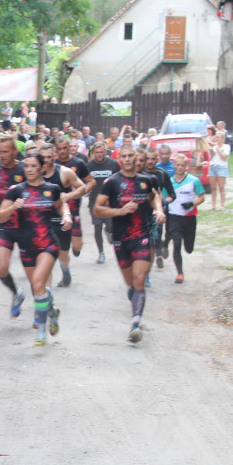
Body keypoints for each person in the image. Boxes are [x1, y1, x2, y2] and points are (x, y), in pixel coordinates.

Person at [94, 142, 166, 343]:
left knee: (140, 278)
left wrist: (158, 210)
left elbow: (155, 198)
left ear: (136, 157)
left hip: (141, 237)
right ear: (119, 159)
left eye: (130, 156)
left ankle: (135, 323)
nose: (127, 159)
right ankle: (135, 297)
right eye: (123, 156)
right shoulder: (112, 182)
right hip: (120, 239)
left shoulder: (146, 180)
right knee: (131, 284)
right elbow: (97, 209)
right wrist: (119, 211)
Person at [0, 152, 69, 345]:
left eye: (33, 166)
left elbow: (62, 206)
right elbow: (1, 217)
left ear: (41, 168)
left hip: (48, 243)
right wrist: (12, 208)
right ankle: (53, 312)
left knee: (38, 283)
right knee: (39, 289)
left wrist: (67, 216)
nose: (29, 169)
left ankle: (41, 331)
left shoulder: (51, 188)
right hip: (26, 246)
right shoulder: (16, 191)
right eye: (26, 166)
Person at [0, 134, 27, 317]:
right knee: (1, 268)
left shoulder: (25, 169)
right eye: (0, 151)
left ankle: (46, 305)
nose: (2, 155)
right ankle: (16, 293)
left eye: (6, 152)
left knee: (34, 274)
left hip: (27, 226)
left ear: (15, 151)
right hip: (3, 225)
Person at [40, 142, 85, 287]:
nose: (46, 160)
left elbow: (82, 187)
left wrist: (68, 195)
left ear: (54, 156)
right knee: (46, 259)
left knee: (62, 256)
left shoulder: (64, 172)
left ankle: (65, 269)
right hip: (43, 222)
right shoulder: (34, 173)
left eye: (49, 157)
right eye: (43, 157)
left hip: (61, 220)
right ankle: (46, 295)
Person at [165, 154, 205, 284]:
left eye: (182, 165)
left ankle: (167, 241)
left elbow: (202, 197)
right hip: (174, 217)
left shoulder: (194, 180)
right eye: (178, 165)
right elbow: (164, 197)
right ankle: (180, 273)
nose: (180, 167)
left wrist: (192, 204)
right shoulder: (169, 182)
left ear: (186, 166)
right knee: (177, 243)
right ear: (174, 165)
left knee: (189, 249)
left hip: (189, 218)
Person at [140, 148, 175, 275]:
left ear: (157, 159)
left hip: (156, 213)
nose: (150, 161)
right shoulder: (139, 173)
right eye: (147, 158)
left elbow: (172, 194)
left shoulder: (162, 174)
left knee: (154, 241)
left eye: (153, 159)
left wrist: (164, 202)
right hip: (141, 213)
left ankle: (148, 271)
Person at [86, 140, 120, 264]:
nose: (99, 155)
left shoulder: (113, 164)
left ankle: (109, 231)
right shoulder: (89, 166)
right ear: (93, 153)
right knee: (97, 227)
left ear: (106, 152)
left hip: (109, 201)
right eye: (96, 153)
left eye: (101, 152)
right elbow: (84, 181)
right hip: (94, 201)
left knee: (110, 226)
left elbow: (119, 180)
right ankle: (101, 253)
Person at [208, 132, 230, 210]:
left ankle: (222, 205)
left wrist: (218, 150)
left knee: (221, 187)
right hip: (213, 167)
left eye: (219, 137)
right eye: (216, 137)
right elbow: (211, 158)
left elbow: (224, 157)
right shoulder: (214, 147)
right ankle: (213, 205)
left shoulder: (226, 147)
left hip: (221, 167)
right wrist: (212, 152)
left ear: (223, 139)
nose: (217, 139)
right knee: (213, 187)